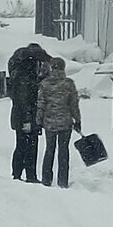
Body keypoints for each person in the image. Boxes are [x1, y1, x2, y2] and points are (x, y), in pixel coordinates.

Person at [7, 42, 51, 182]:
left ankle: (18, 174)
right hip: (26, 116)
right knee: (30, 146)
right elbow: (24, 99)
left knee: (21, 144)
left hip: (20, 116)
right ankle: (29, 176)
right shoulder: (25, 78)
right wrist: (27, 120)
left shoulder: (19, 74)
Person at [36, 56, 81, 188]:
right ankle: (63, 181)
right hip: (65, 122)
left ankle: (46, 179)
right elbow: (74, 104)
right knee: (63, 151)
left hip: (49, 122)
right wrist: (77, 120)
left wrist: (39, 121)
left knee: (49, 150)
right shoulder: (69, 84)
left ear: (51, 67)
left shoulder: (44, 84)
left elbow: (41, 104)